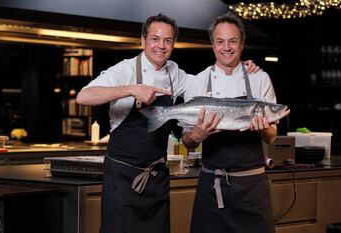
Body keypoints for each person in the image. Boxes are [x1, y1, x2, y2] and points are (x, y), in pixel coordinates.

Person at [76, 13, 260, 233]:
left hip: (157, 176)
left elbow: (210, 82)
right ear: (143, 40)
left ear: (173, 44)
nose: (161, 46)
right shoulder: (123, 70)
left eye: (167, 41)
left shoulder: (175, 73)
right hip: (122, 177)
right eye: (155, 39)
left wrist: (241, 69)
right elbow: (84, 97)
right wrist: (131, 89)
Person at [182, 12, 278, 233]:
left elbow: (272, 136)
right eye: (220, 41)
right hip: (212, 185)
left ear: (242, 44)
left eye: (233, 41)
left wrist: (263, 128)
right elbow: (187, 141)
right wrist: (196, 136)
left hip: (251, 187)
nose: (227, 47)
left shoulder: (259, 79)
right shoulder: (197, 82)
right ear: (213, 45)